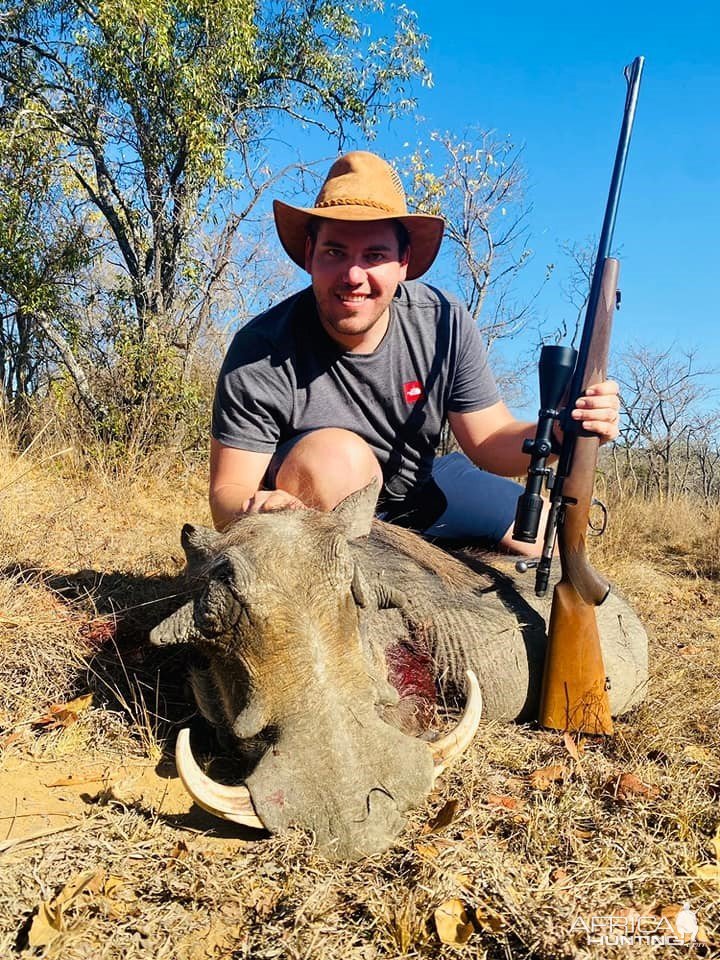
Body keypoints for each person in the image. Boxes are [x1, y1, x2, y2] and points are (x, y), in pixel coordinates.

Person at [210, 151, 619, 554]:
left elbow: (489, 440)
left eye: (375, 255)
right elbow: (229, 491)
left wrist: (564, 428)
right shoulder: (259, 348)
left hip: (419, 489)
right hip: (322, 499)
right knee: (335, 462)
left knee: (543, 532)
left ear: (403, 262)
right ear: (309, 255)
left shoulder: (445, 322)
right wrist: (254, 508)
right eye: (335, 252)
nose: (354, 276)